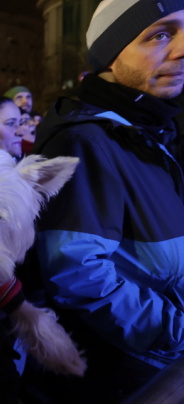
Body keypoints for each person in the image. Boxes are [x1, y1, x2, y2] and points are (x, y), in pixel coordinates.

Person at [25, 0, 184, 402]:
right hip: (137, 376)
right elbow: (78, 275)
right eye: (160, 35)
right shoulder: (86, 140)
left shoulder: (148, 131)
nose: (182, 48)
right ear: (110, 57)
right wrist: (176, 331)